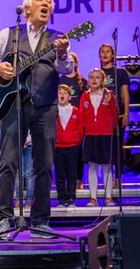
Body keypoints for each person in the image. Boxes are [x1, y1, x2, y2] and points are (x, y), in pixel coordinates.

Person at [0, 0, 73, 239]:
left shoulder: (58, 38)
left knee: (44, 166)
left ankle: (40, 221)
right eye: (41, 0)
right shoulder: (10, 35)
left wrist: (61, 54)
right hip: (15, 105)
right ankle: (4, 218)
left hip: (45, 107)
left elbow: (66, 68)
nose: (46, 3)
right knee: (8, 162)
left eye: (50, 1)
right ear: (27, 9)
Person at [80, 69, 118, 207]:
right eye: (91, 77)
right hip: (90, 135)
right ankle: (93, 198)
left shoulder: (109, 96)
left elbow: (114, 116)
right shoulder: (84, 96)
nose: (94, 80)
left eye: (97, 77)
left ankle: (108, 197)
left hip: (106, 135)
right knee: (92, 166)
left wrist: (107, 128)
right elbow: (82, 117)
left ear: (103, 80)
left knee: (107, 166)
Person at [99, 44, 130, 188]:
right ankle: (107, 178)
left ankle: (118, 178)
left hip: (117, 113)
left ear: (113, 55)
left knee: (118, 146)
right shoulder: (97, 73)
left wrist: (126, 114)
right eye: (102, 52)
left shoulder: (120, 72)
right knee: (105, 147)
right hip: (102, 115)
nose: (105, 54)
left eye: (107, 52)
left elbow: (125, 94)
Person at [59, 52, 87, 190]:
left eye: (72, 61)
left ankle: (78, 180)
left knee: (79, 153)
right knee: (62, 154)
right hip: (63, 121)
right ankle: (64, 181)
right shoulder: (60, 80)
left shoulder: (83, 82)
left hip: (77, 120)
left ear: (76, 63)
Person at [55, 85, 83, 208]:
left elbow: (81, 129)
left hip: (73, 146)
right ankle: (61, 199)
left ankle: (71, 198)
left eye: (65, 93)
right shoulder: (53, 112)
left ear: (69, 96)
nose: (62, 94)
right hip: (58, 147)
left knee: (72, 174)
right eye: (59, 92)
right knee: (60, 174)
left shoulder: (76, 111)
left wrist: (76, 141)